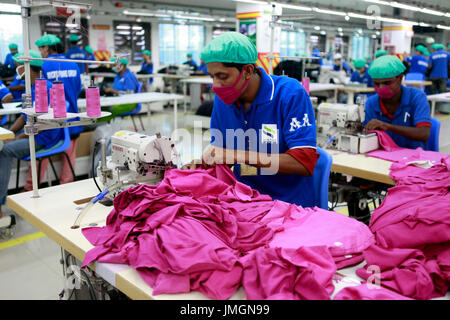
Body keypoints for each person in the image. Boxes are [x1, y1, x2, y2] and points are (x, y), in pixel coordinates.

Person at [185, 32, 320, 207]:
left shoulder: (289, 94)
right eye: (212, 77)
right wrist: (201, 165)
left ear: (248, 70)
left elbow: (304, 162)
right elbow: (222, 152)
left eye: (222, 76)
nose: (216, 86)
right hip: (243, 198)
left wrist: (235, 154)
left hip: (289, 203)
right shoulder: (223, 100)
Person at [0, 50, 63, 219]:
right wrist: (8, 133)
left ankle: (0, 203)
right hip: (33, 133)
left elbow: (42, 125)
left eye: (18, 67)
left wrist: (18, 137)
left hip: (44, 137)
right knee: (4, 145)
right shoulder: (33, 88)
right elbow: (24, 115)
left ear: (26, 69)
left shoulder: (46, 89)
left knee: (5, 151)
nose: (16, 71)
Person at [29, 34, 82, 190]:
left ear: (47, 48)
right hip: (72, 118)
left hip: (50, 121)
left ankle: (32, 187)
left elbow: (41, 92)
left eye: (41, 49)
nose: (41, 53)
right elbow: (78, 88)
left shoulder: (44, 66)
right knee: (69, 156)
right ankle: (66, 187)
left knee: (43, 153)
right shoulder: (73, 64)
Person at [364, 55, 431, 150]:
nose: (382, 87)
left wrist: (387, 126)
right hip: (383, 156)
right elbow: (367, 133)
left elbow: (424, 133)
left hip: (413, 158)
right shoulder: (371, 103)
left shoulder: (417, 98)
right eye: (377, 84)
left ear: (400, 79)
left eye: (387, 83)